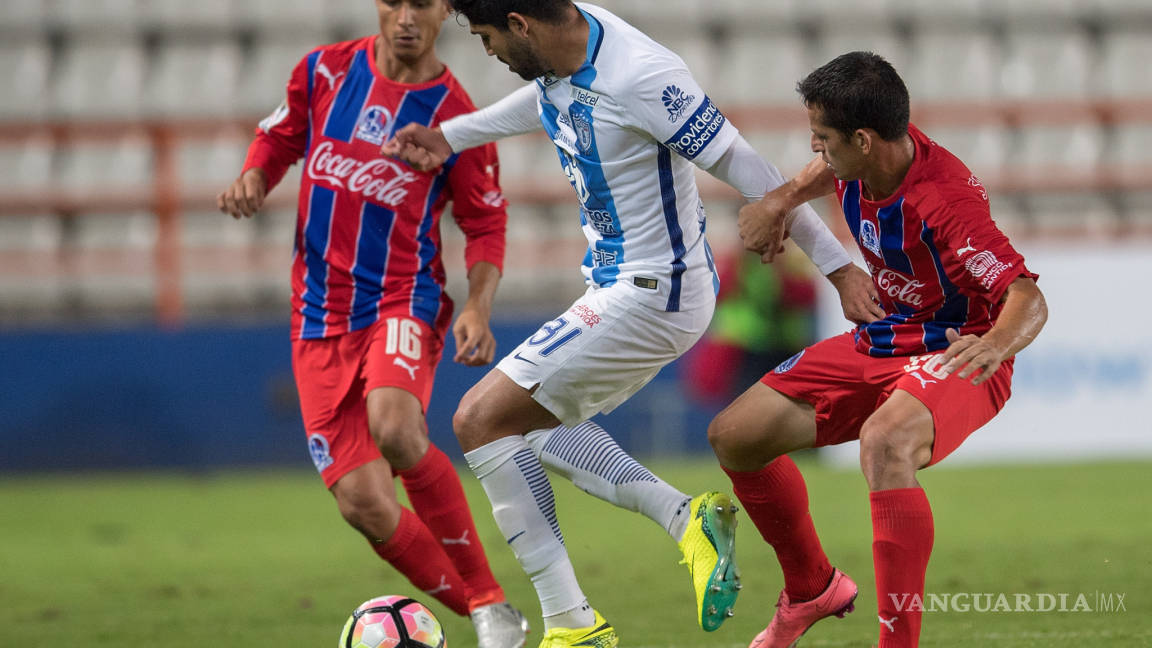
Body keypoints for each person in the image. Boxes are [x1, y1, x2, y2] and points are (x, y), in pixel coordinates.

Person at [382, 3, 879, 646]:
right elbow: (542, 100)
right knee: (523, 428)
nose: (488, 52)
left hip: (655, 293)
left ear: (520, 23)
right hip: (619, 285)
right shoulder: (563, 44)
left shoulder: (641, 76)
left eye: (486, 38)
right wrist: (454, 135)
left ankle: (572, 624)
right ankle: (685, 520)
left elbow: (751, 171)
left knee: (479, 420)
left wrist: (839, 270)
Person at [214, 2, 530, 646]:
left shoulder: (458, 116)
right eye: (395, 1)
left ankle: (492, 600)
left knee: (394, 425)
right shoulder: (324, 72)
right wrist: (254, 174)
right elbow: (278, 137)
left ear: (446, 10)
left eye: (423, 3)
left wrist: (477, 304)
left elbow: (485, 222)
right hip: (318, 316)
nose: (407, 17)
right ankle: (487, 617)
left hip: (401, 299)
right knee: (363, 503)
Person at [710, 51, 1049, 648]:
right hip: (883, 336)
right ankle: (811, 588)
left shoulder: (945, 204)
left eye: (823, 141)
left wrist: (994, 346)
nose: (816, 152)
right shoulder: (876, 155)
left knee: (886, 442)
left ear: (863, 140)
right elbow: (826, 174)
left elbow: (1026, 295)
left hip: (955, 350)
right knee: (735, 436)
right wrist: (782, 199)